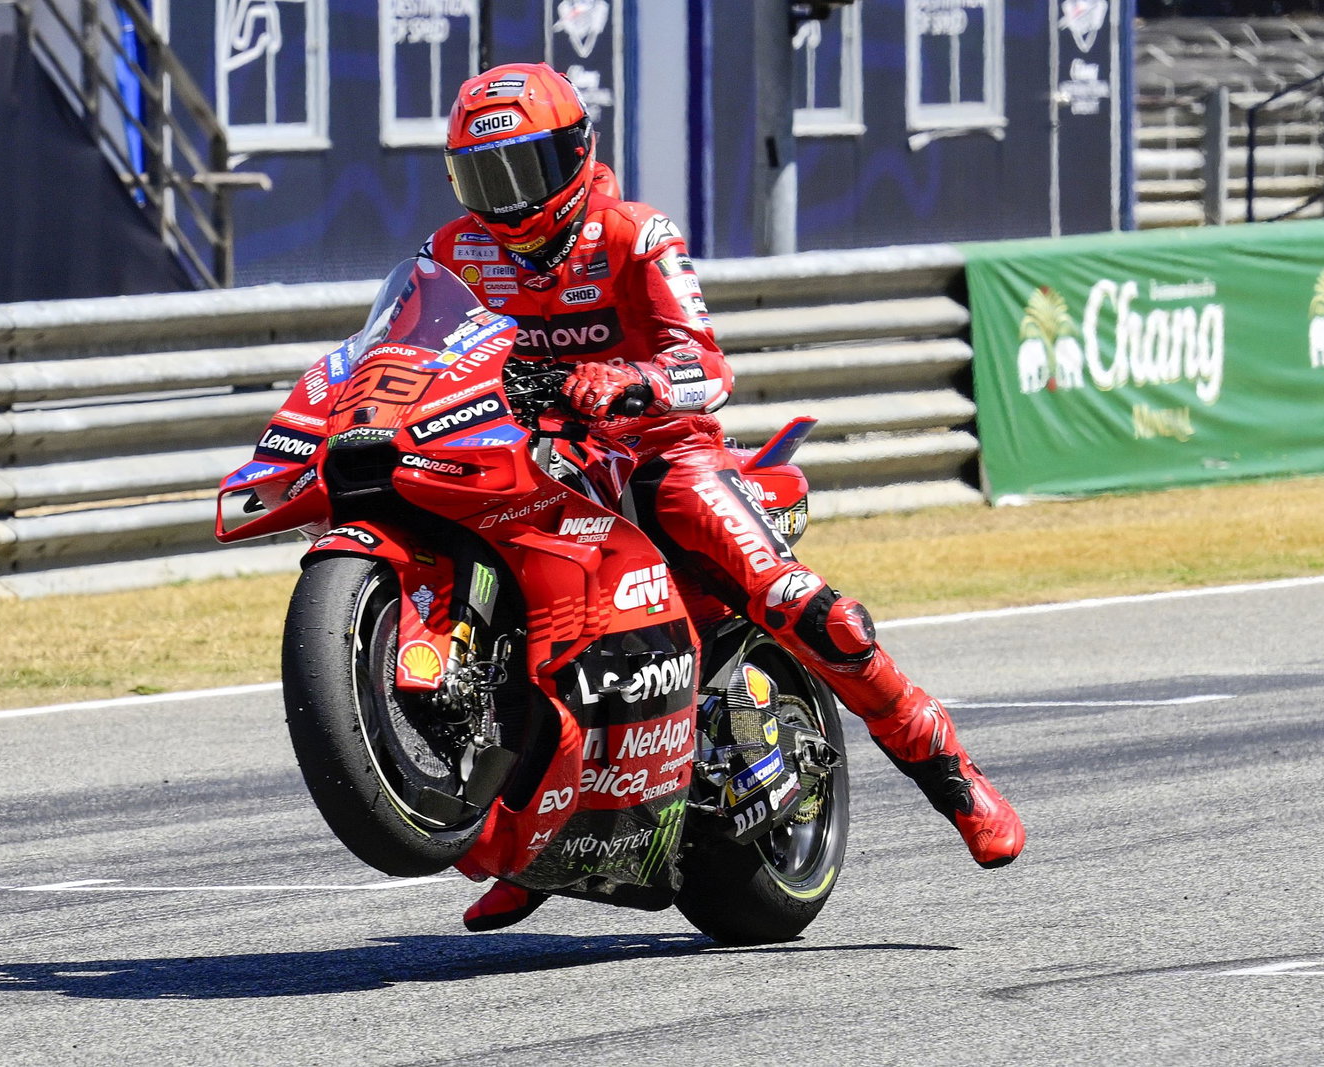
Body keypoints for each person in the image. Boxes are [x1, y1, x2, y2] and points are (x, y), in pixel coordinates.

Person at [426, 62, 1025, 931]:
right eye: (486, 178)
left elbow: (705, 366)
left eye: (525, 170)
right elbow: (415, 340)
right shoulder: (456, 253)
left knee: (808, 609)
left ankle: (952, 774)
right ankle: (539, 843)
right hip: (538, 461)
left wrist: (627, 380)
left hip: (658, 453)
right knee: (502, 636)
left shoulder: (635, 234)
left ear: (574, 155)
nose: (508, 200)